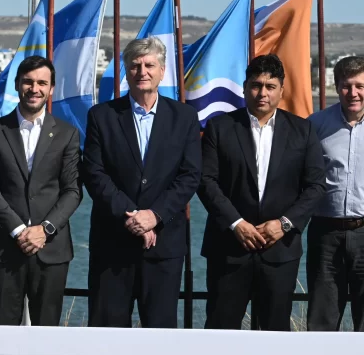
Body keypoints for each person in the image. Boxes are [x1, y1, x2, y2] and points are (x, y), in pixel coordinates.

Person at [199, 54, 325, 331]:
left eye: (270, 86)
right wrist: (236, 223)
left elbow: (316, 186)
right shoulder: (220, 128)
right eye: (256, 85)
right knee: (221, 332)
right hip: (229, 249)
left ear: (282, 90)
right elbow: (206, 181)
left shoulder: (302, 130)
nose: (262, 93)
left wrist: (284, 224)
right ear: (245, 88)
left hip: (279, 251)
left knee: (275, 335)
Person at [83, 36, 201, 328]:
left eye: (149, 65)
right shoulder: (102, 116)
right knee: (107, 335)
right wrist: (134, 216)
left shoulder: (184, 117)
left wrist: (154, 216)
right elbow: (95, 174)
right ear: (126, 71)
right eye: (135, 66)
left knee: (160, 337)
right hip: (112, 244)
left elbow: (189, 175)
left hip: (164, 247)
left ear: (162, 71)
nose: (142, 72)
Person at [0, 56, 82, 326]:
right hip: (5, 248)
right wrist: (19, 230)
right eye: (28, 82)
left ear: (51, 88)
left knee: (47, 334)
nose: (35, 89)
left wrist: (44, 229)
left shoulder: (67, 134)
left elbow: (72, 190)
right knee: (2, 333)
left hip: (51, 250)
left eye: (42, 83)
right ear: (17, 84)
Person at [307, 56, 364, 331]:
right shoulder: (315, 125)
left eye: (360, 86)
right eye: (346, 86)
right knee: (322, 319)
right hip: (325, 233)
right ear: (337, 86)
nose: (353, 93)